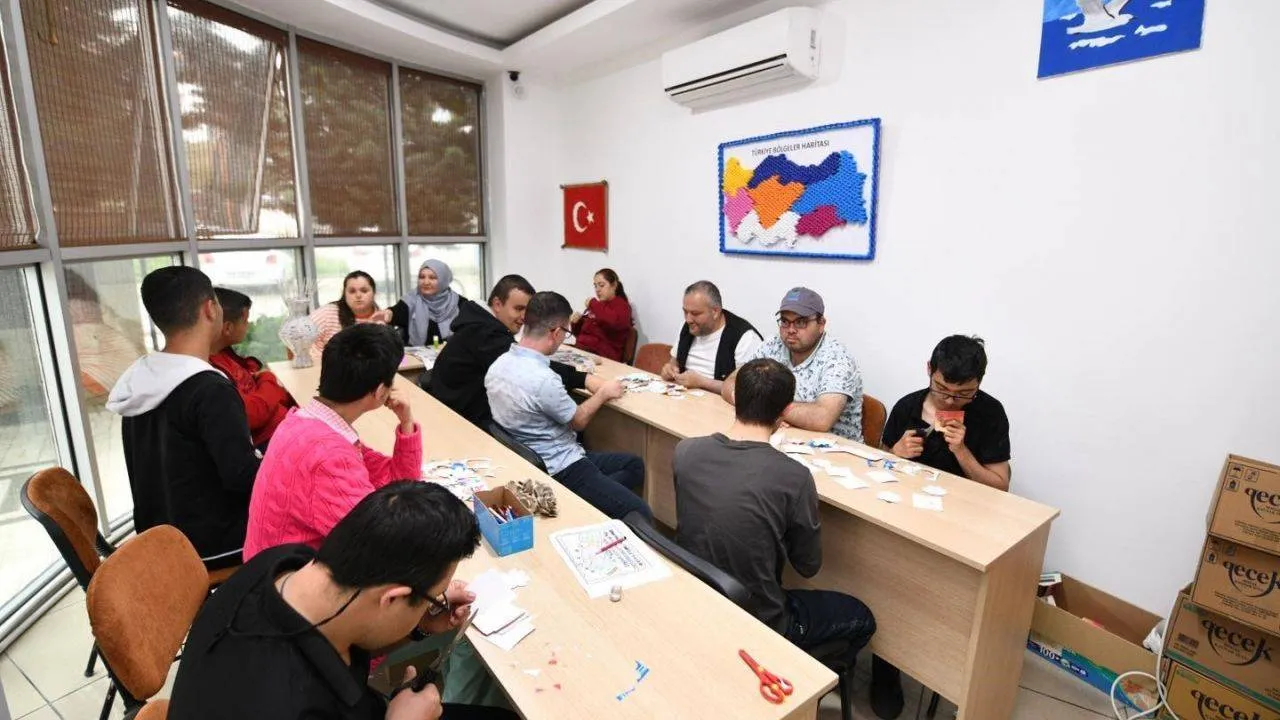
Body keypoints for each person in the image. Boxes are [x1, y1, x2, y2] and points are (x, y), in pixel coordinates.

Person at [168, 481, 516, 720]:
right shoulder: (289, 703)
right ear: (392, 598)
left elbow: (365, 625)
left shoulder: (283, 564)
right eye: (431, 599)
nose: (434, 604)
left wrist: (419, 624)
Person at [674, 359, 875, 664]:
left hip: (701, 595)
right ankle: (807, 679)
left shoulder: (686, 450)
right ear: (786, 411)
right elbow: (808, 565)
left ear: (735, 397)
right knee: (861, 616)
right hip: (761, 617)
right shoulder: (794, 476)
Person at [106, 267, 260, 569]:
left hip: (160, 537)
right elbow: (243, 478)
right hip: (212, 544)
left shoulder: (139, 378)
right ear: (210, 309)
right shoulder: (210, 390)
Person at [244, 323, 422, 559]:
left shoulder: (306, 421)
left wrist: (406, 423)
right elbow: (380, 544)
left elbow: (398, 486)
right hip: (286, 576)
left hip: (274, 566)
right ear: (381, 391)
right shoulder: (328, 454)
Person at [485, 292, 651, 520]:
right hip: (562, 466)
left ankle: (586, 505)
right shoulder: (544, 379)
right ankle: (581, 501)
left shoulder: (498, 365)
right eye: (566, 333)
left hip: (532, 459)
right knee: (640, 511)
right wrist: (603, 393)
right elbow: (578, 421)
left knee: (634, 465)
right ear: (556, 333)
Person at [429, 274, 601, 429]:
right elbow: (528, 368)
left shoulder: (480, 323)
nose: (525, 317)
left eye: (528, 310)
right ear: (497, 304)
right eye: (518, 308)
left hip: (455, 408)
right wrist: (584, 379)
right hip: (462, 421)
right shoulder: (485, 333)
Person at [722, 287, 864, 442]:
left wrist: (763, 408)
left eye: (800, 322)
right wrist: (775, 412)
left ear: (821, 324)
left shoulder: (838, 360)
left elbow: (822, 418)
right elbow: (731, 383)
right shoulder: (773, 344)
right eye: (785, 321)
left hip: (834, 450)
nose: (790, 330)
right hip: (781, 439)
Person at [882, 335, 1010, 490]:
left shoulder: (990, 413)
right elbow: (881, 462)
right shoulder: (907, 406)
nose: (950, 401)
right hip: (908, 492)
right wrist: (896, 452)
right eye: (941, 388)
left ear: (979, 382)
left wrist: (961, 451)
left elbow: (1001, 487)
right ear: (929, 369)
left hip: (964, 499)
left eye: (963, 393)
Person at [209, 287, 295, 449]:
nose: (248, 325)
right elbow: (254, 413)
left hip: (280, 422)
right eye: (245, 321)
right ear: (227, 328)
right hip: (268, 439)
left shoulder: (225, 355)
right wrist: (268, 378)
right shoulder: (212, 369)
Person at [660, 280, 762, 394]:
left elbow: (747, 389)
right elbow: (674, 362)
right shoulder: (687, 326)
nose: (688, 319)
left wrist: (702, 382)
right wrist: (669, 370)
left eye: (695, 314)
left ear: (715, 312)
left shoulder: (745, 337)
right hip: (683, 397)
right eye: (685, 312)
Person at [310, 271, 393, 352]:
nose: (358, 295)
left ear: (374, 293)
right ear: (344, 294)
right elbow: (302, 333)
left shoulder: (382, 318)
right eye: (352, 291)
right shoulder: (327, 313)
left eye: (364, 291)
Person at [390, 259, 461, 347]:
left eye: (432, 278)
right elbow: (395, 313)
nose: (426, 282)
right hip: (415, 355)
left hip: (452, 353)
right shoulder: (410, 300)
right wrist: (388, 313)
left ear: (443, 280)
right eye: (422, 277)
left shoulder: (459, 303)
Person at [569, 268, 632, 362]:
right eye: (595, 286)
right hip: (584, 350)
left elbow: (613, 322)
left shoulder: (622, 306)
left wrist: (593, 303)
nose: (597, 290)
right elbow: (580, 334)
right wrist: (576, 322)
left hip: (603, 356)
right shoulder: (598, 306)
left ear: (614, 285)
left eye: (601, 285)